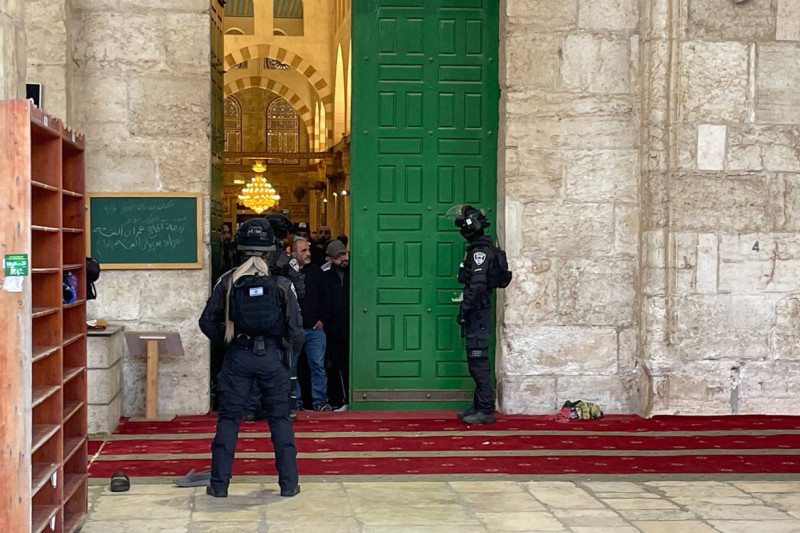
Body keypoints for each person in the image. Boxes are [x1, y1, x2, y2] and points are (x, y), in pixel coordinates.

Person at [198, 218, 303, 498]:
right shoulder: (282, 284)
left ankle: (219, 486)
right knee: (280, 421)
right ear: (270, 251)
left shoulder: (227, 281)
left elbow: (207, 322)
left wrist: (229, 342)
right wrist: (284, 355)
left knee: (229, 421)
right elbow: (295, 330)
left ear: (240, 250)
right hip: (272, 357)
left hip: (238, 357)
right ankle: (288, 485)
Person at [449, 205, 499, 425]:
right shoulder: (477, 249)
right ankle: (479, 404)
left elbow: (477, 286)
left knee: (479, 361)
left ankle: (486, 409)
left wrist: (465, 309)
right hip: (476, 312)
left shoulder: (480, 252)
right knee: (474, 360)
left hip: (478, 313)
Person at [290, 238, 332, 411]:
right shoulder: (287, 273)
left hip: (315, 329)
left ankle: (320, 401)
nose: (308, 253)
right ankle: (295, 402)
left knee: (318, 366)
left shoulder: (316, 272)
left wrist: (322, 319)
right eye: (303, 251)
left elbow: (327, 297)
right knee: (291, 368)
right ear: (293, 254)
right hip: (294, 330)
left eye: (308, 250)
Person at [322, 239, 350, 410]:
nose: (343, 259)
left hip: (352, 326)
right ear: (330, 259)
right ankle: (339, 399)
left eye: (344, 254)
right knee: (335, 365)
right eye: (338, 257)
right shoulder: (325, 275)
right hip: (333, 327)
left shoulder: (355, 271)